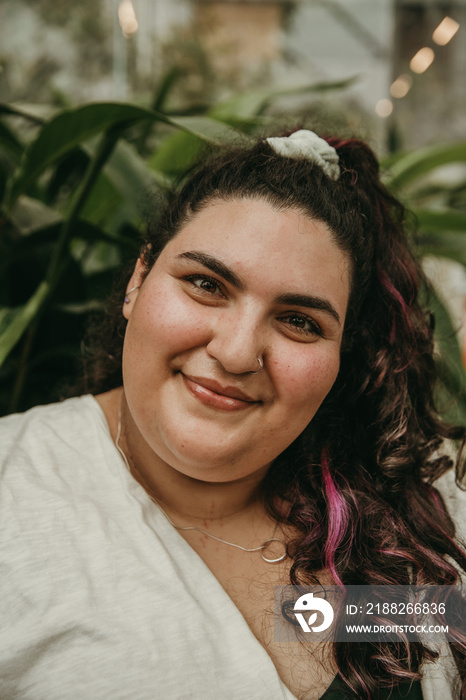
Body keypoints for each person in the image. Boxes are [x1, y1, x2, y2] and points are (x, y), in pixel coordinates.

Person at [0, 129, 465, 700]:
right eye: (206, 285)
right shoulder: (13, 494)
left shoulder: (393, 513)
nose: (238, 352)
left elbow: (397, 628)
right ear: (137, 281)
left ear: (341, 358)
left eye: (299, 321)